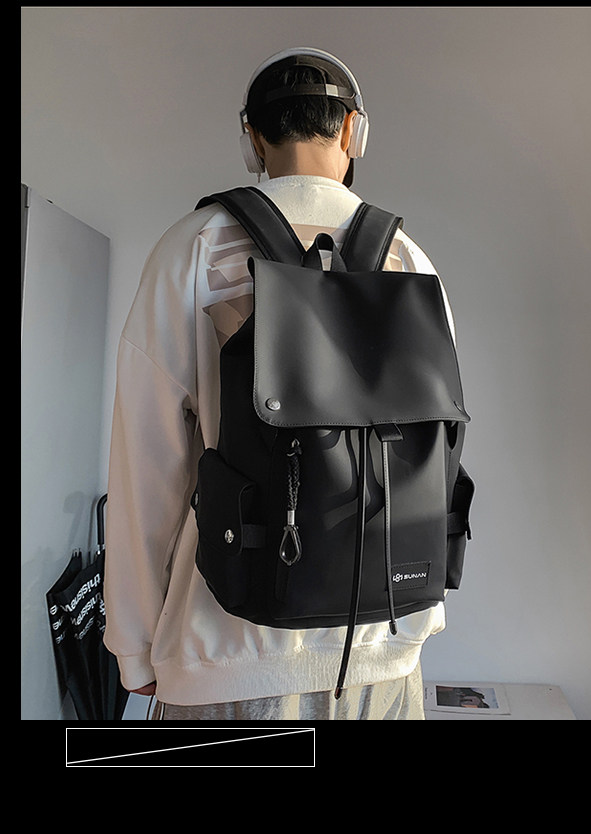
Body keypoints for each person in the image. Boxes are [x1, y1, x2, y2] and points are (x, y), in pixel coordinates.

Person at [103, 47, 456, 720]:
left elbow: (147, 464)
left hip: (226, 650)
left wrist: (135, 644)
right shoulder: (409, 260)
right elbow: (434, 447)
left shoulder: (193, 248)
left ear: (252, 141)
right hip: (386, 645)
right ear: (353, 131)